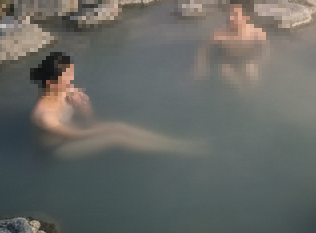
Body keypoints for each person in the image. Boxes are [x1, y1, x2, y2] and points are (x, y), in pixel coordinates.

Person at [30, 51, 198, 158]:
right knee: (115, 137)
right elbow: (74, 135)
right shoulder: (45, 116)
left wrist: (83, 105)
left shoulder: (64, 90)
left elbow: (88, 118)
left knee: (118, 126)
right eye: (67, 77)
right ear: (51, 82)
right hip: (60, 147)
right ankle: (180, 151)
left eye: (71, 74)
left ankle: (177, 144)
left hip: (78, 130)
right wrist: (103, 129)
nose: (71, 80)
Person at [194, 0, 269, 86]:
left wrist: (258, 63)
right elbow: (204, 50)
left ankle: (251, 92)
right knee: (225, 70)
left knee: (251, 73)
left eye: (235, 14)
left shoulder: (257, 33)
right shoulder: (220, 35)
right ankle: (239, 90)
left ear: (247, 17)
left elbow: (265, 50)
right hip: (227, 61)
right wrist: (201, 67)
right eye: (229, 13)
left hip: (248, 60)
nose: (230, 17)